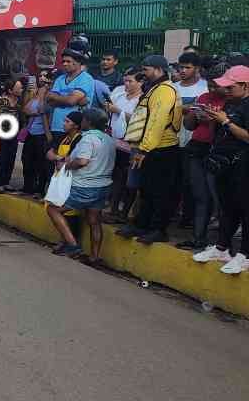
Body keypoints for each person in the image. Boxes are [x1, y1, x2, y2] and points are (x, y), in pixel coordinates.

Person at [117, 55, 183, 245]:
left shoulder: (164, 91)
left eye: (146, 70)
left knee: (160, 192)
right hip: (152, 148)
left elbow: (157, 122)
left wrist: (143, 150)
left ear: (158, 70)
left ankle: (158, 229)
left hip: (161, 149)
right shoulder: (155, 89)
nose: (143, 74)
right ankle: (142, 225)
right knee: (146, 190)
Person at [193, 65, 249, 273]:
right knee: (228, 208)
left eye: (231, 87)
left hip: (243, 166)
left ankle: (244, 255)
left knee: (245, 210)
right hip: (224, 165)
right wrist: (214, 120)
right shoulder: (232, 103)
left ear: (245, 85)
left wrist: (225, 121)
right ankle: (222, 248)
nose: (226, 90)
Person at [45, 108, 116, 262]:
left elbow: (82, 161)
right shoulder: (109, 140)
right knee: (94, 220)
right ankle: (95, 256)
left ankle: (72, 245)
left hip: (84, 186)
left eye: (84, 119)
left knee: (53, 209)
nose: (82, 121)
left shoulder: (87, 139)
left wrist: (66, 166)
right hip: (103, 186)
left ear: (89, 122)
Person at [45, 39, 94, 186]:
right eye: (63, 61)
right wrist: (68, 98)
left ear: (78, 62)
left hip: (75, 129)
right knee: (54, 161)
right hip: (57, 127)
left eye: (68, 61)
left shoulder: (86, 79)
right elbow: (49, 99)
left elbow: (71, 101)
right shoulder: (60, 79)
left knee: (69, 161)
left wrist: (59, 97)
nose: (64, 64)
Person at [173, 52, 210, 233]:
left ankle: (188, 217)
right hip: (173, 138)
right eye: (181, 67)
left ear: (197, 69)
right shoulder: (173, 87)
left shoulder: (204, 88)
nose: (183, 70)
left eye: (188, 67)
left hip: (193, 141)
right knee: (174, 179)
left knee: (190, 182)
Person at [105, 68, 145, 222]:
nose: (126, 84)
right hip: (115, 142)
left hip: (131, 145)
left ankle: (125, 212)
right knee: (116, 177)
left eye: (130, 81)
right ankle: (113, 209)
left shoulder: (141, 100)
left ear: (140, 82)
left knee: (128, 180)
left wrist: (118, 110)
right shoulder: (120, 95)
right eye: (125, 81)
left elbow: (138, 119)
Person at [21, 70, 53, 197]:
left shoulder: (50, 94)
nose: (42, 78)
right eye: (40, 75)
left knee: (41, 163)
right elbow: (25, 109)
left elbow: (44, 111)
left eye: (45, 76)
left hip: (42, 133)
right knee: (27, 160)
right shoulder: (34, 93)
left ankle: (39, 190)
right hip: (31, 131)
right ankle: (28, 187)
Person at [0, 77, 24, 193]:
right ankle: (0, 183)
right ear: (10, 90)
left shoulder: (18, 101)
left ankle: (6, 182)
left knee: (11, 158)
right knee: (2, 158)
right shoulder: (2, 101)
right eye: (19, 88)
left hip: (13, 134)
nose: (21, 90)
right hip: (1, 134)